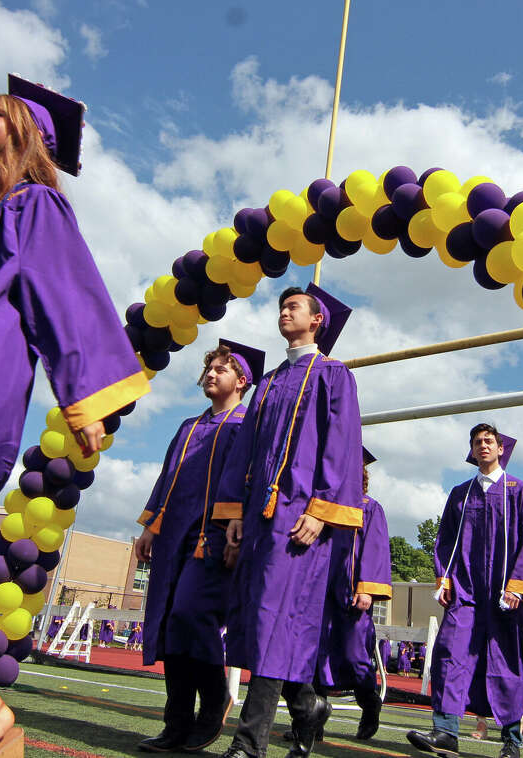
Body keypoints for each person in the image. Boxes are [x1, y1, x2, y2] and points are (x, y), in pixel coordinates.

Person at [213, 283, 364, 758]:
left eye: (293, 306)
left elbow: (342, 446)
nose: (284, 311)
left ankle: (249, 741)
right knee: (259, 617)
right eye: (281, 306)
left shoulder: (334, 375)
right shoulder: (272, 380)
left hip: (301, 515)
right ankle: (305, 705)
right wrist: (235, 511)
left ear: (317, 320)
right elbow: (245, 450)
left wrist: (321, 509)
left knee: (274, 617)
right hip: (259, 515)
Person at [133, 339, 264, 753]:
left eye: (221, 369)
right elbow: (166, 478)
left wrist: (234, 527)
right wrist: (152, 526)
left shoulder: (249, 426)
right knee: (173, 623)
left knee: (192, 615)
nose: (210, 374)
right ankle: (176, 724)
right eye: (208, 369)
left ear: (242, 381)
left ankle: (214, 698)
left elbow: (249, 482)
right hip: (174, 535)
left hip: (215, 535)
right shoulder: (188, 427)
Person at [407, 426, 523, 758]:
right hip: (466, 592)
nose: (482, 446)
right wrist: (444, 578)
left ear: (501, 449)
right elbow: (445, 541)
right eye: (477, 442)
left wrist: (518, 586)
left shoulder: (519, 490)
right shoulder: (461, 493)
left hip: (506, 596)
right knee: (450, 654)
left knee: (507, 663)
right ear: (472, 450)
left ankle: (512, 741)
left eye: (488, 441)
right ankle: (445, 732)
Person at [297, 447, 391, 742]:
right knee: (313, 654)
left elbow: (375, 550)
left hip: (350, 594)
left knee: (355, 656)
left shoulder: (369, 507)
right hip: (318, 591)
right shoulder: (320, 507)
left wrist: (367, 588)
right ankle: (313, 723)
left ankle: (370, 703)